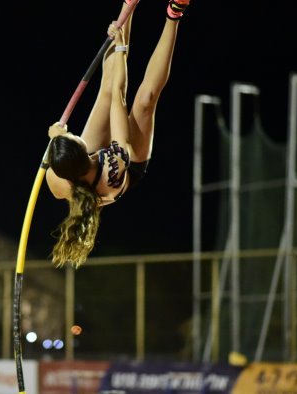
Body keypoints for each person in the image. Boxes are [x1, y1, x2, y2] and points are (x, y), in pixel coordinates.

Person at [45, 0, 191, 268]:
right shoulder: (115, 166)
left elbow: (110, 89)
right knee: (145, 101)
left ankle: (129, 5)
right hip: (130, 166)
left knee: (105, 86)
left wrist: (56, 136)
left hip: (89, 167)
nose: (77, 136)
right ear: (82, 152)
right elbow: (119, 98)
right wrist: (120, 44)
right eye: (74, 138)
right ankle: (175, 12)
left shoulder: (56, 176)